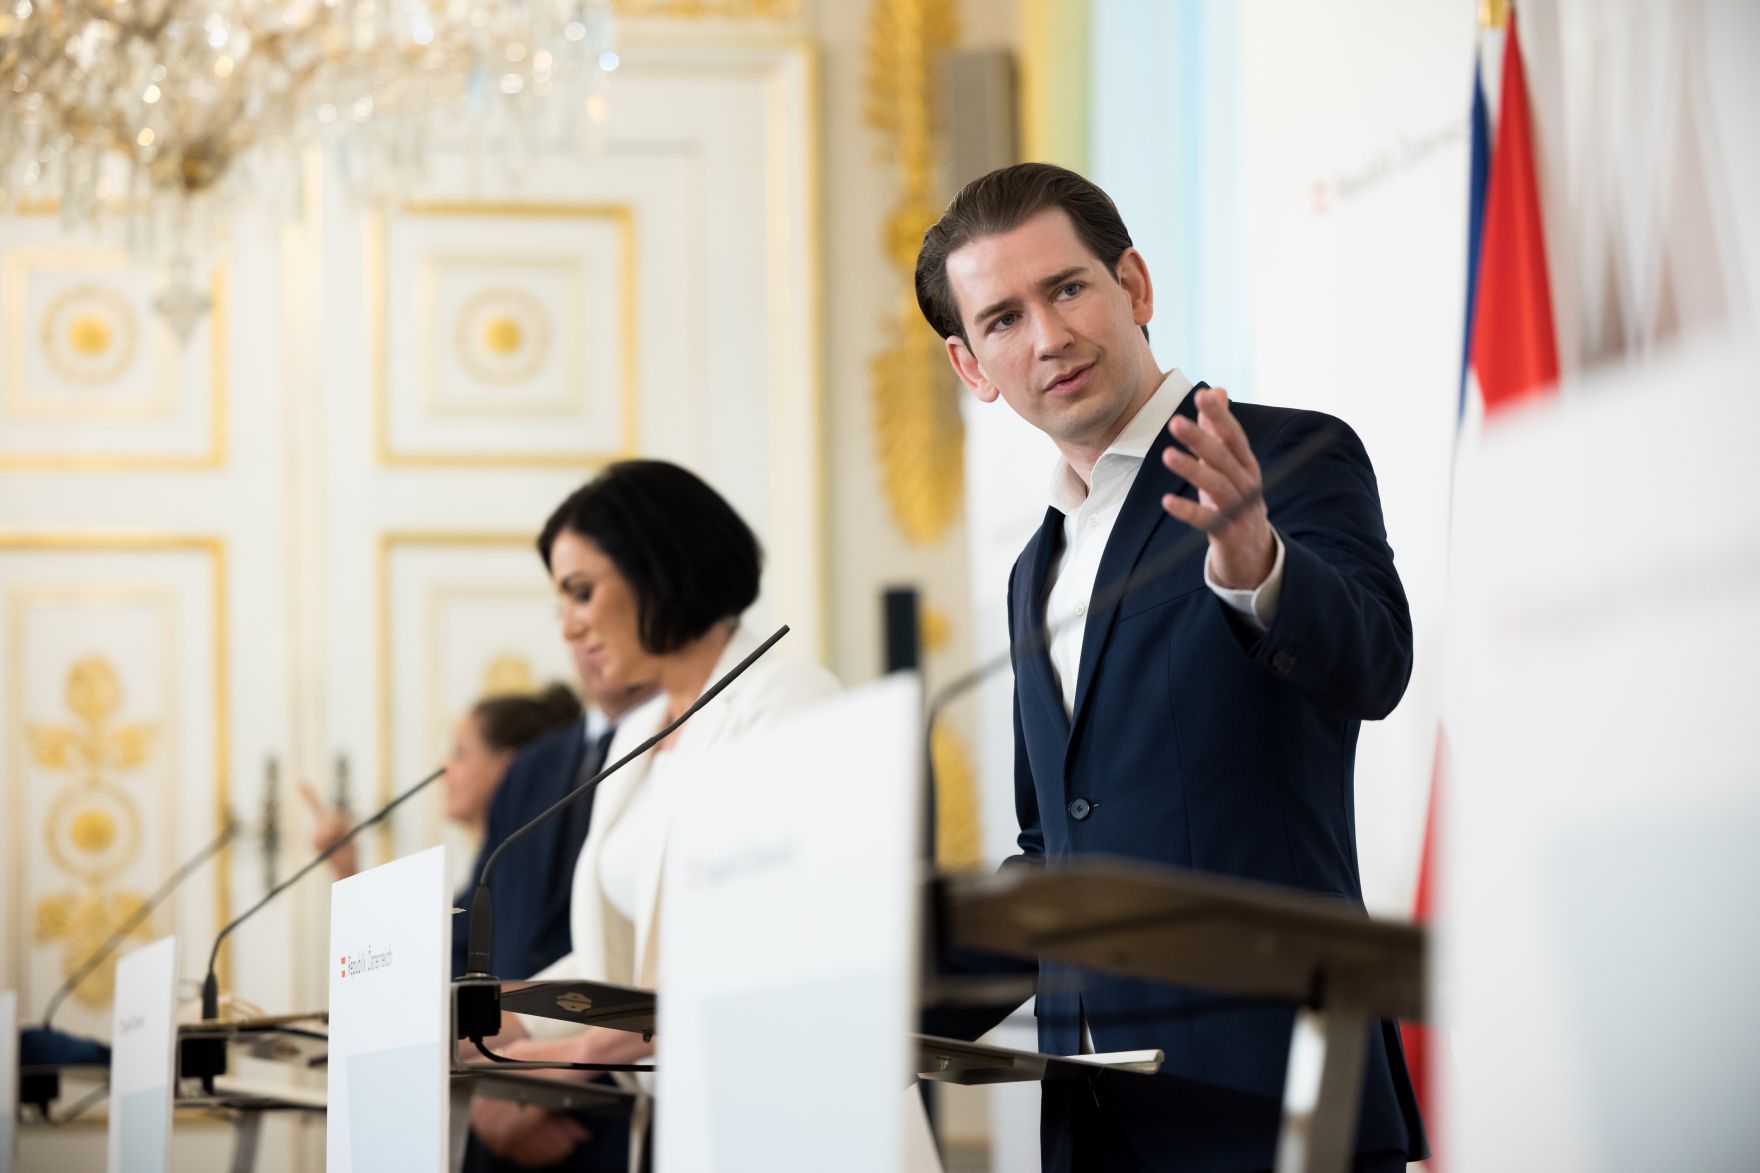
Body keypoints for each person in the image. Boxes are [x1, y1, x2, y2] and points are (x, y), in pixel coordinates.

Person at [914, 162, 1426, 1172]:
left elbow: (1373, 667)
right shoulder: (1033, 572)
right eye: (1003, 319)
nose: (1048, 337)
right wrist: (869, 1006)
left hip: (1277, 1095)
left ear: (1133, 287)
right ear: (971, 367)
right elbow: (1055, 862)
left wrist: (1259, 569)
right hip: (1096, 1120)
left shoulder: (1289, 458)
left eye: (1066, 289)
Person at [468, 460, 841, 1168]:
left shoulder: (790, 702)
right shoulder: (641, 736)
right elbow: (622, 965)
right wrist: (487, 1013)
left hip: (782, 1110)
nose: (570, 624)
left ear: (657, 568)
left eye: (581, 591)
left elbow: (774, 943)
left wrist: (586, 1049)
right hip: (676, 1115)